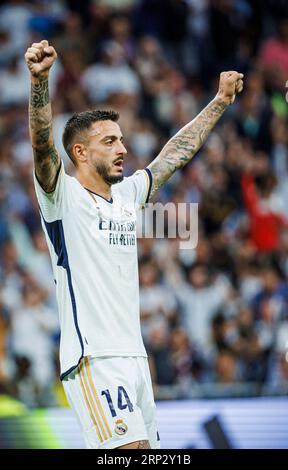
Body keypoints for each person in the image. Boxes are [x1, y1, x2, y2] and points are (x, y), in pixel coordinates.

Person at [24, 39, 243, 449]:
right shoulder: (62, 197)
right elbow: (41, 144)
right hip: (94, 358)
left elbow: (175, 154)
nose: (123, 148)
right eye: (109, 141)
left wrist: (219, 101)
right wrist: (40, 82)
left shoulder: (127, 194)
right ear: (80, 152)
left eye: (122, 139)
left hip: (134, 359)